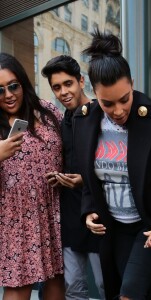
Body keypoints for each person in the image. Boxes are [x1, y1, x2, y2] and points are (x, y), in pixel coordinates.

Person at [72, 29, 151, 300]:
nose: (118, 111)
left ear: (133, 83)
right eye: (108, 104)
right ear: (93, 93)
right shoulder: (83, 121)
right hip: (114, 229)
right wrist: (88, 212)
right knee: (125, 291)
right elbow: (89, 179)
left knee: (129, 294)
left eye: (125, 99)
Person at [0, 53, 65, 299]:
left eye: (13, 86)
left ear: (23, 83)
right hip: (15, 218)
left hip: (53, 209)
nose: (8, 94)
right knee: (18, 286)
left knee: (57, 278)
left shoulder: (47, 111)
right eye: (0, 90)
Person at [41, 55, 105, 300]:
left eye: (68, 84)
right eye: (56, 87)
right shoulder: (63, 120)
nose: (63, 92)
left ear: (80, 81)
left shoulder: (102, 113)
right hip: (70, 214)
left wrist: (85, 181)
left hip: (99, 214)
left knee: (104, 285)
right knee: (74, 289)